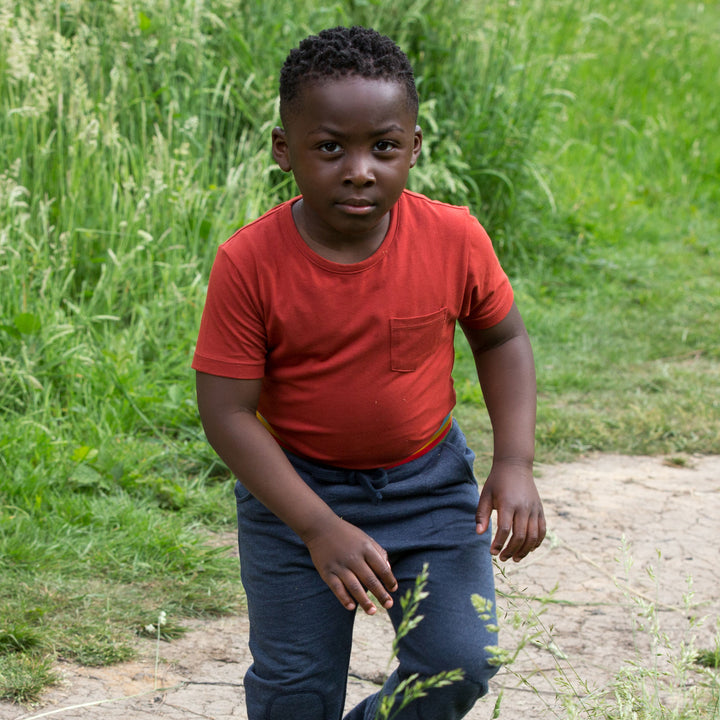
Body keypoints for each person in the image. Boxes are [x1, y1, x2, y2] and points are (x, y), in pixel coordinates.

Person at [192, 25, 545, 720]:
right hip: (293, 499)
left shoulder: (453, 237)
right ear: (284, 151)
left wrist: (516, 461)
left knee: (458, 664)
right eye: (330, 148)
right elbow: (227, 414)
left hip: (430, 490)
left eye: (383, 146)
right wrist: (318, 527)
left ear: (413, 148)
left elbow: (501, 336)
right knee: (296, 688)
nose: (360, 168)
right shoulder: (250, 263)